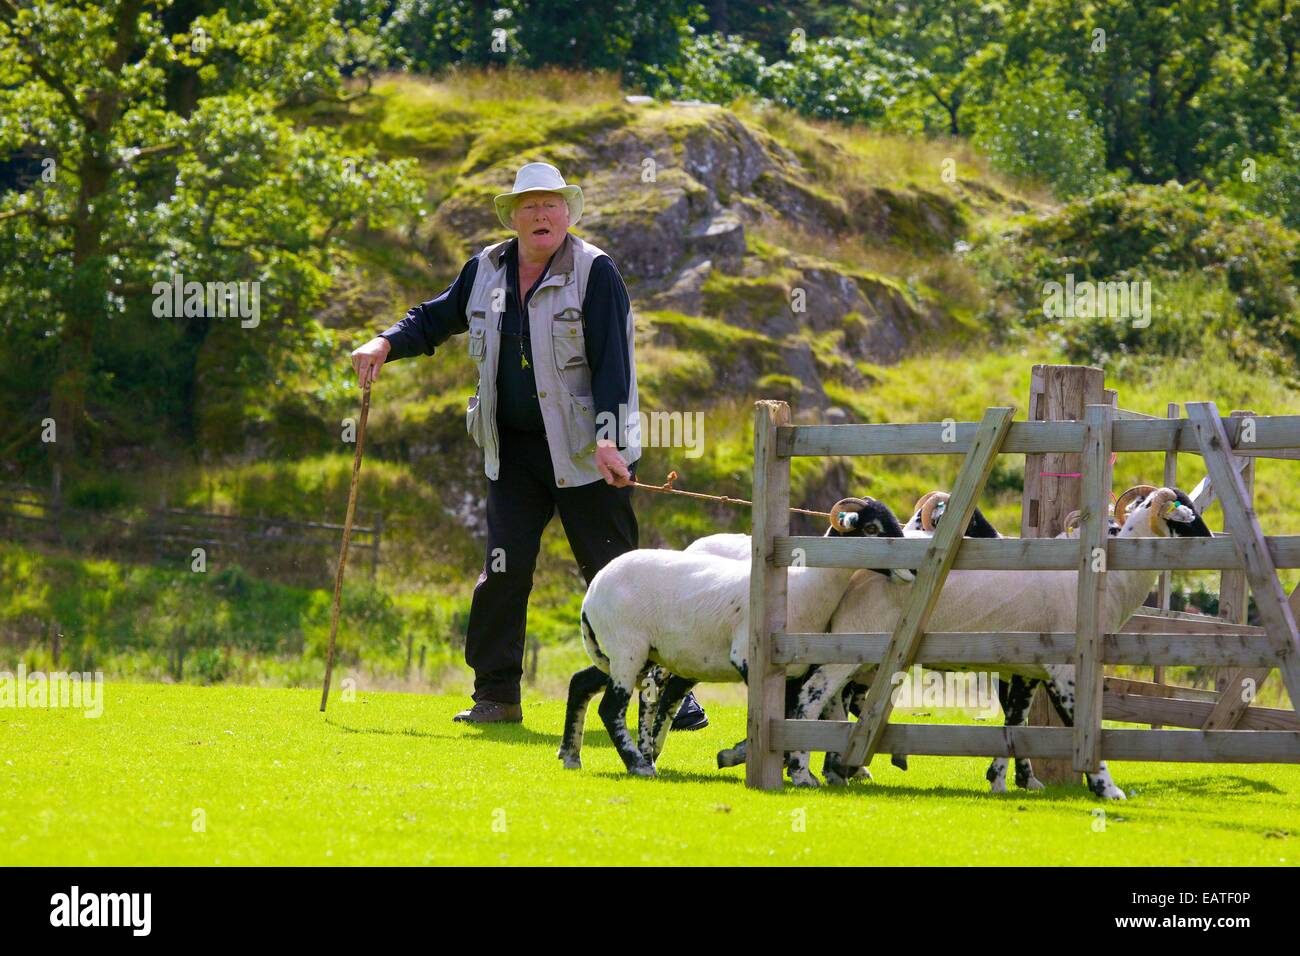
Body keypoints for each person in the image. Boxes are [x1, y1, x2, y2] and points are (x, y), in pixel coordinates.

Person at [349, 162, 707, 730]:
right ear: (512, 216)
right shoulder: (486, 269)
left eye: (552, 205)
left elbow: (615, 366)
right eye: (530, 206)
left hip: (588, 454)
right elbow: (437, 317)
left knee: (618, 578)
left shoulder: (596, 272)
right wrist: (384, 343)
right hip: (511, 453)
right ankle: (495, 697)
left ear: (568, 213)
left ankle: (671, 695)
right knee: (503, 571)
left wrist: (611, 441)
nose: (542, 215)